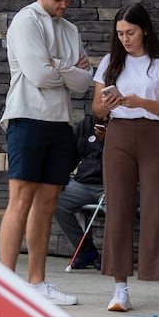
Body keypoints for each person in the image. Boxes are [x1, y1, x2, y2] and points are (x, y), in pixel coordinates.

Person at [0, 0, 93, 305]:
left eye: (67, 0)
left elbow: (86, 81)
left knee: (47, 203)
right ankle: (5, 286)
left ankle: (36, 283)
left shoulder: (70, 28)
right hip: (27, 117)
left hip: (60, 122)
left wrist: (60, 68)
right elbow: (38, 75)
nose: (63, 6)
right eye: (57, 0)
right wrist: (69, 70)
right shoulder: (26, 21)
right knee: (21, 200)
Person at [92, 3, 159, 314]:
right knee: (117, 208)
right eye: (119, 33)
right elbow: (96, 109)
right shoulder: (110, 62)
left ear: (144, 29)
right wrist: (110, 104)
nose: (125, 39)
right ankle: (121, 289)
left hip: (154, 135)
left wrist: (141, 101)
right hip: (118, 134)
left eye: (130, 32)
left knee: (157, 209)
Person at [54, 112, 106, 270]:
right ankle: (85, 251)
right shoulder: (86, 125)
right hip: (83, 183)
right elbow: (71, 155)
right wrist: (59, 179)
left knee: (117, 209)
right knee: (56, 202)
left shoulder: (125, 123)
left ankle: (111, 255)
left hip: (112, 184)